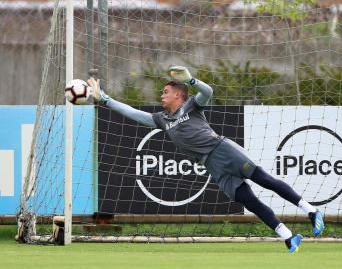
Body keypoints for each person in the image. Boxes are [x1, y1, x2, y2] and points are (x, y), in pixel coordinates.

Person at [86, 66, 324, 253]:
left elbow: (208, 92)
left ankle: (312, 211)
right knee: (249, 201)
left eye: (165, 92)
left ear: (178, 95)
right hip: (212, 165)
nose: (161, 95)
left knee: (265, 180)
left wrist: (192, 80)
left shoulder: (192, 105)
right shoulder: (161, 119)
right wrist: (106, 99)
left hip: (223, 150)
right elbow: (134, 113)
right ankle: (288, 237)